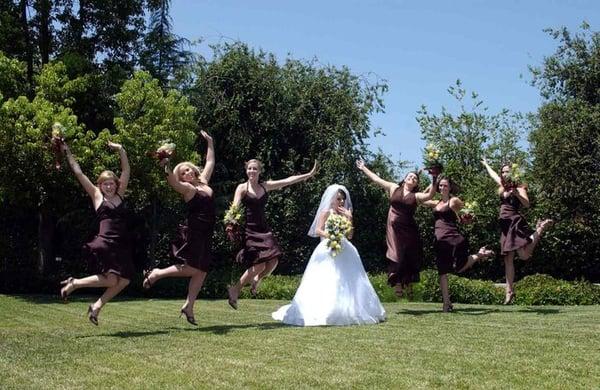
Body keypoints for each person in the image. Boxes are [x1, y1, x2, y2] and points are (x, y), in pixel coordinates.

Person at [272, 185, 386, 326]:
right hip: (328, 247)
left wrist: (350, 219)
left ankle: (350, 309)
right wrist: (332, 236)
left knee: (348, 279)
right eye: (338, 199)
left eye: (343, 199)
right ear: (332, 199)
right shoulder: (326, 212)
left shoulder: (346, 214)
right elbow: (318, 230)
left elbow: (350, 235)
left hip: (344, 248)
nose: (341, 201)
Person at [142, 131, 216, 326]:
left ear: (193, 170)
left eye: (188, 170)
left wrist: (210, 142)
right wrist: (166, 165)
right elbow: (172, 182)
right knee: (193, 267)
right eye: (182, 172)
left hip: (206, 232)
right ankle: (158, 273)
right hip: (195, 232)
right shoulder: (187, 189)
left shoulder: (204, 183)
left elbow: (209, 163)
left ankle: (189, 306)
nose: (187, 173)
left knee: (202, 271)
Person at [59, 141, 133, 325]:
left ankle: (96, 306)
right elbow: (79, 173)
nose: (109, 187)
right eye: (105, 184)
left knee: (123, 281)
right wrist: (68, 152)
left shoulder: (120, 195)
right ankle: (75, 283)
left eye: (112, 184)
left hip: (120, 244)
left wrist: (121, 150)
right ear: (100, 185)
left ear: (116, 185)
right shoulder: (97, 195)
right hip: (105, 243)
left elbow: (126, 171)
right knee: (112, 281)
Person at [227, 160, 318, 309]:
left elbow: (287, 181)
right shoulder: (242, 188)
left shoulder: (265, 186)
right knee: (259, 265)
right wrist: (231, 223)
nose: (252, 171)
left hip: (264, 229)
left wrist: (309, 174)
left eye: (255, 169)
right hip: (250, 230)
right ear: (246, 170)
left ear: (259, 171)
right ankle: (235, 289)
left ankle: (257, 279)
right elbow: (234, 207)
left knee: (273, 261)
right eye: (249, 168)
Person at [356, 160, 437, 297]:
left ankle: (408, 282)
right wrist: (364, 168)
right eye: (409, 176)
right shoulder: (394, 188)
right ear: (404, 179)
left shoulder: (416, 196)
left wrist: (434, 178)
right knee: (395, 254)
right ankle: (397, 282)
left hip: (408, 230)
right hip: (393, 227)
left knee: (408, 255)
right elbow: (377, 179)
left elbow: (430, 195)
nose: (412, 178)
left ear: (416, 183)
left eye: (415, 178)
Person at [481, 158, 553, 304]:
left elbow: (526, 204)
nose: (504, 174)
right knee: (508, 259)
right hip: (505, 227)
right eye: (503, 172)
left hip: (514, 223)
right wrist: (486, 164)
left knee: (524, 255)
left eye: (507, 171)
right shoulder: (503, 186)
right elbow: (493, 175)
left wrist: (516, 193)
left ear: (513, 173)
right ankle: (509, 291)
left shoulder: (519, 187)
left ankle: (539, 229)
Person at [422, 176, 494, 312]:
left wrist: (468, 218)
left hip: (453, 238)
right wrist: (430, 185)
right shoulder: (435, 203)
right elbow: (420, 199)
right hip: (439, 241)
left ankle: (479, 255)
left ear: (450, 188)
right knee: (442, 271)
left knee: (458, 268)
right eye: (440, 186)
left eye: (445, 186)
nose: (442, 188)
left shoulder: (453, 201)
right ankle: (446, 303)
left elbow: (466, 216)